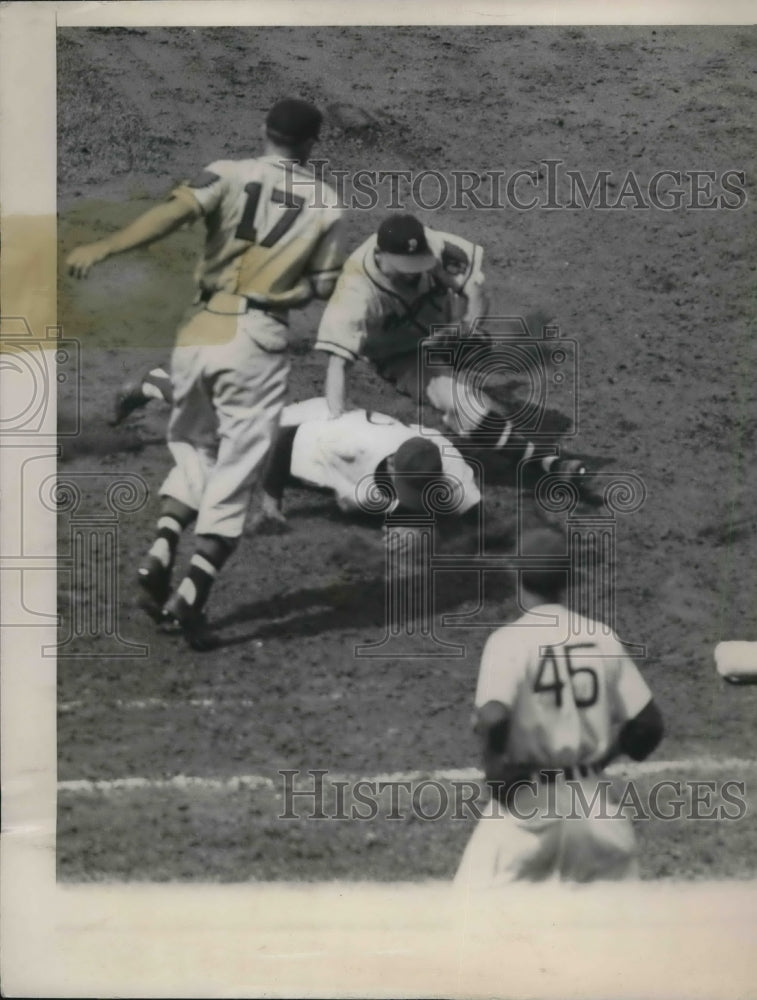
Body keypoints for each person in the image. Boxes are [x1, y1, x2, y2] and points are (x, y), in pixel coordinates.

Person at [67, 98, 345, 649]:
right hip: (257, 337)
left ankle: (163, 545)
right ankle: (192, 593)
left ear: (264, 131)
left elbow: (169, 215)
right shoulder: (327, 204)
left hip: (198, 328)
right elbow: (324, 287)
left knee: (195, 444)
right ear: (312, 143)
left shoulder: (225, 171)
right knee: (240, 463)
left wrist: (105, 246)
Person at [454, 527, 664, 886]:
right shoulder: (602, 636)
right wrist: (604, 758)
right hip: (595, 809)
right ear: (566, 579)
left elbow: (492, 717)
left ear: (516, 575)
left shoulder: (507, 641)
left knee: (472, 920)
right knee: (608, 936)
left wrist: (495, 769)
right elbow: (648, 726)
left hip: (528, 809)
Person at [314, 212, 584, 479]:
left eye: (418, 264)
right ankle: (546, 462)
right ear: (380, 255)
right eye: (405, 267)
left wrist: (468, 329)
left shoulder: (434, 246)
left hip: (443, 328)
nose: (413, 274)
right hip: (400, 355)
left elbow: (475, 292)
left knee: (475, 371)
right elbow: (338, 363)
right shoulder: (354, 293)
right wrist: (337, 424)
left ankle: (462, 364)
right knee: (464, 403)